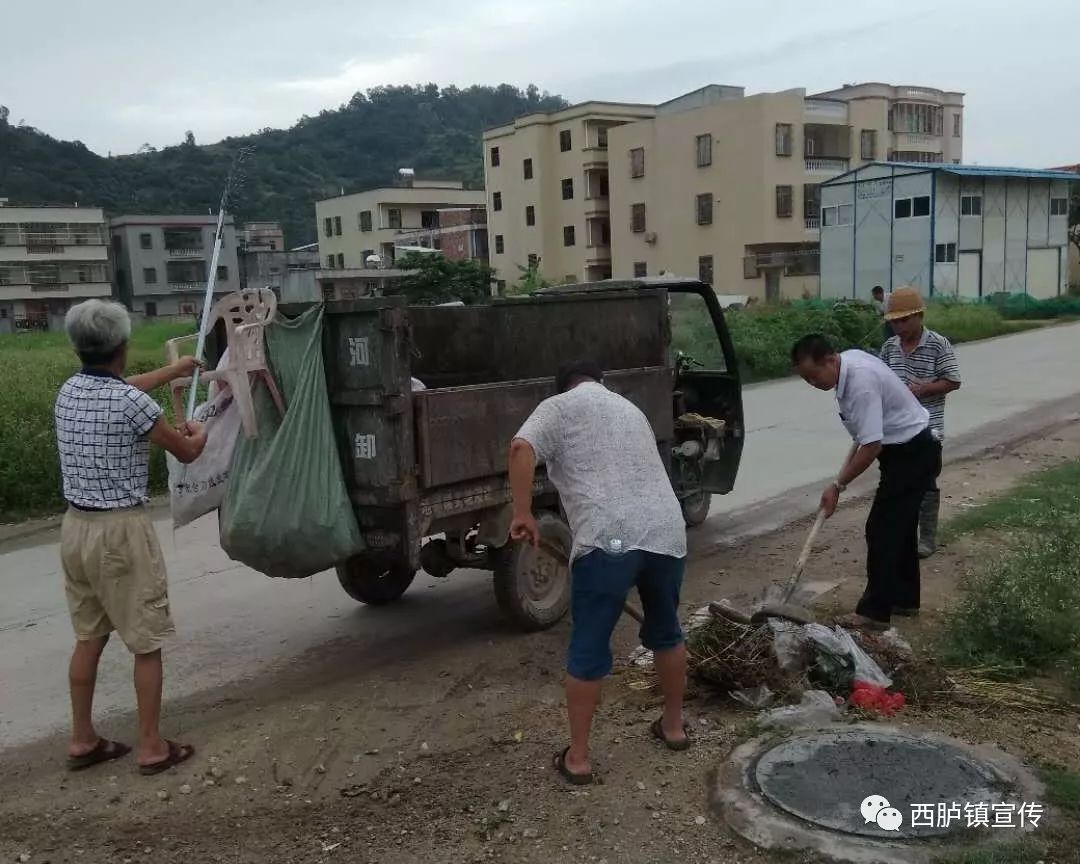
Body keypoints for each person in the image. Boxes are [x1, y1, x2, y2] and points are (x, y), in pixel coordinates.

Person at [508, 360, 689, 785]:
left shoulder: (559, 406)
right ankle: (675, 727)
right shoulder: (630, 409)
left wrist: (522, 512)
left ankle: (579, 758)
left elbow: (520, 448)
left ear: (564, 385)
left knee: (588, 648)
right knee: (668, 632)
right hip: (666, 530)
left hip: (609, 538)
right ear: (600, 383)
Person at [56, 299, 208, 774]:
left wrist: (174, 371)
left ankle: (83, 740)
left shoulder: (70, 390)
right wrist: (198, 431)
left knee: (88, 637)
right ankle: (151, 747)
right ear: (121, 345)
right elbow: (185, 451)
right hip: (120, 532)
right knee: (145, 641)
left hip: (75, 529)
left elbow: (123, 391)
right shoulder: (130, 403)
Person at [791, 334, 941, 630]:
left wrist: (837, 486)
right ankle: (904, 599)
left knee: (881, 530)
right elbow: (866, 437)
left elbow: (871, 446)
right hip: (909, 451)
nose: (812, 383)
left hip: (912, 454)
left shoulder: (860, 383)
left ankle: (874, 613)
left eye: (813, 375)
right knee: (901, 528)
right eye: (805, 379)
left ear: (831, 360)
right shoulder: (850, 362)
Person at [880, 286, 961, 558]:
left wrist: (923, 389)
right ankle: (900, 535)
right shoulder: (890, 347)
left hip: (929, 428)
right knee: (895, 483)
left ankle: (926, 538)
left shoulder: (938, 343)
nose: (898, 326)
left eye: (904, 320)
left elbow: (953, 380)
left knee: (926, 483)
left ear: (919, 316)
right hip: (894, 431)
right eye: (894, 321)